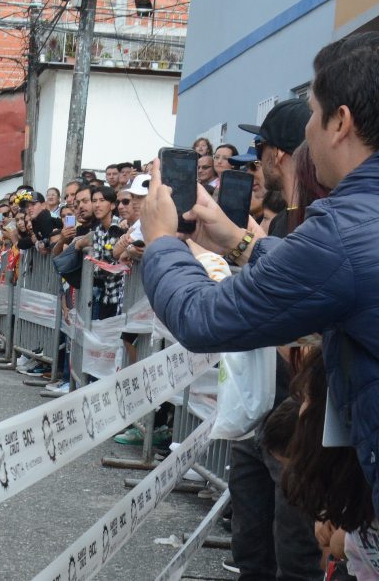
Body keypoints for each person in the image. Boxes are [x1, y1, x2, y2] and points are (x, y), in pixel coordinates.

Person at [140, 32, 379, 526]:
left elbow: (204, 318)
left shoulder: (344, 230)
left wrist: (163, 241)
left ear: (340, 122)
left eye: (312, 112)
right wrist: (238, 241)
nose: (306, 131)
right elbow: (329, 276)